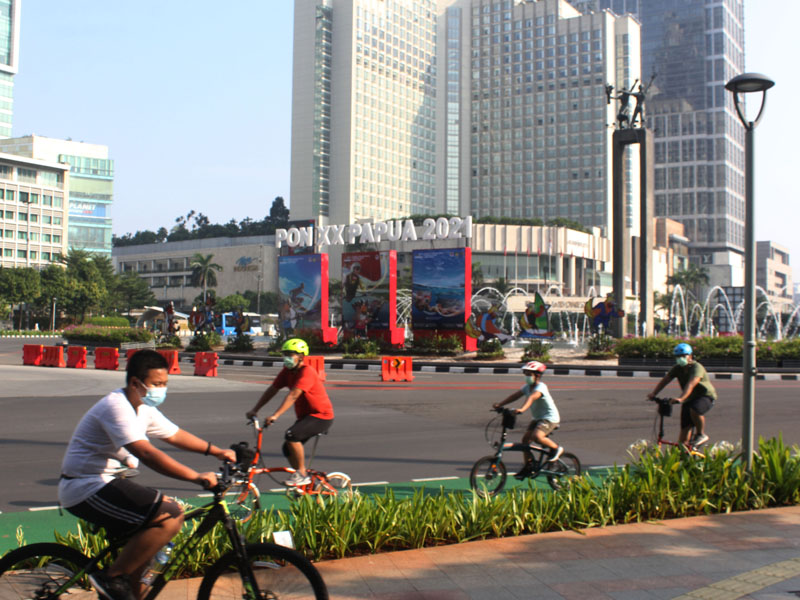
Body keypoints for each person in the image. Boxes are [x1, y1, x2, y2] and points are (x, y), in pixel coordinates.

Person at [58, 350, 235, 600]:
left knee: (142, 563)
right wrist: (196, 477)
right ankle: (110, 578)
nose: (161, 390)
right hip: (85, 486)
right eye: (156, 384)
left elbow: (174, 434)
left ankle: (123, 585)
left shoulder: (142, 408)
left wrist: (217, 452)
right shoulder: (116, 407)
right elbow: (147, 454)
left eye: (165, 384)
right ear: (135, 383)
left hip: (107, 483)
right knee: (171, 514)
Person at [246, 338, 334, 487]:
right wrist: (255, 409)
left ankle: (301, 473)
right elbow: (272, 390)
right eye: (285, 354)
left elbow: (293, 395)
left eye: (290, 354)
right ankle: (303, 479)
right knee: (287, 448)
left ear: (301, 356)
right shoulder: (287, 372)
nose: (286, 358)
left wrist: (275, 415)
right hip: (306, 417)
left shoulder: (307, 372)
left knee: (292, 435)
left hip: (321, 416)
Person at [492, 360, 563, 480]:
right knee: (525, 441)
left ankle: (556, 449)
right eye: (526, 374)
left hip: (550, 418)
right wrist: (500, 404)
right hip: (538, 418)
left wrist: (522, 409)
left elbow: (532, 398)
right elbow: (515, 395)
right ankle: (528, 466)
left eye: (529, 374)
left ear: (538, 375)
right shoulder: (527, 387)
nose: (527, 377)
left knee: (537, 436)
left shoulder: (541, 387)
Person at [647, 342, 716, 447]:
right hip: (689, 398)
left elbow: (691, 384)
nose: (680, 359)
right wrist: (653, 393)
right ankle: (684, 452)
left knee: (695, 409)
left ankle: (700, 434)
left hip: (704, 396)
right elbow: (665, 380)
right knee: (684, 428)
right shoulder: (677, 368)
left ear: (690, 356)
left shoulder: (697, 367)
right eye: (678, 357)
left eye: (683, 356)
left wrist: (681, 398)